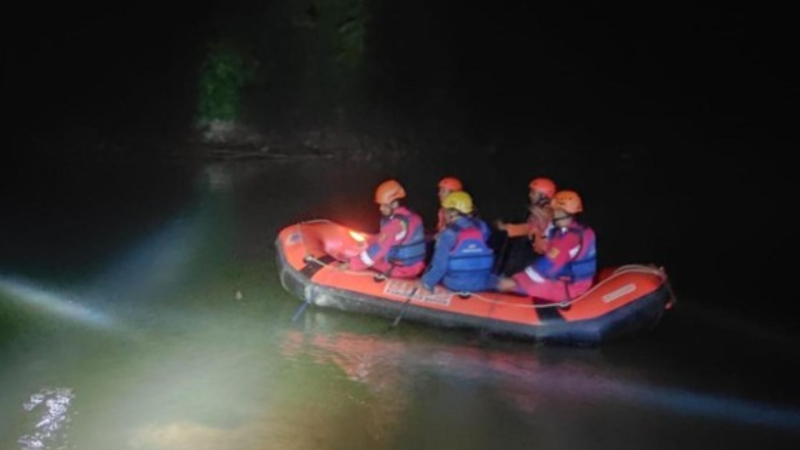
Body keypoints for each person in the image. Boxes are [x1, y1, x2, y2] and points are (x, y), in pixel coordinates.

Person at [496, 190, 596, 303]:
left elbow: (547, 265)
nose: (552, 214)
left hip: (570, 288)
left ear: (560, 213)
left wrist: (516, 281)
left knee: (517, 287)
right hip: (572, 279)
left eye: (554, 211)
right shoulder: (582, 230)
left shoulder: (569, 239)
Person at [342, 179, 427, 278]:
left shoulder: (395, 225)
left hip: (402, 270)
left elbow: (378, 249)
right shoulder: (413, 217)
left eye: (384, 205)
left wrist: (353, 264)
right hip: (416, 265)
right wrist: (368, 241)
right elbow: (385, 237)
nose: (380, 208)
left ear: (394, 204)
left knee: (365, 260)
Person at [421, 191, 495, 293]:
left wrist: (426, 282)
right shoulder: (482, 227)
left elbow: (439, 267)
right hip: (482, 283)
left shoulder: (448, 234)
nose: (444, 214)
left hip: (455, 284)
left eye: (445, 211)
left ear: (453, 213)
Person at [494, 177, 556, 275]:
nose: (529, 195)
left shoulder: (546, 210)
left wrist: (507, 228)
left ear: (543, 195)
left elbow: (530, 229)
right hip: (538, 250)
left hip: (543, 255)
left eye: (533, 192)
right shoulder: (542, 209)